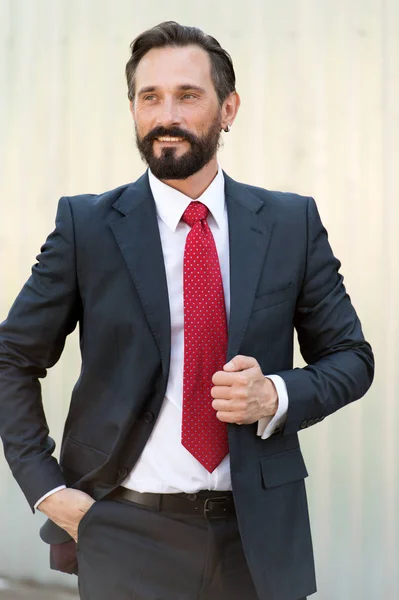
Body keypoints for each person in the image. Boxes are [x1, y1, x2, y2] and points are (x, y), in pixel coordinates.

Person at [0, 21, 374, 600]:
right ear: (132, 108)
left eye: (187, 95)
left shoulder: (289, 224)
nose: (165, 114)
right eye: (150, 97)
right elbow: (11, 357)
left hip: (258, 537)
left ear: (228, 109)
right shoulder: (88, 227)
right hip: (125, 529)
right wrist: (45, 488)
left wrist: (275, 394)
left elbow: (351, 358)